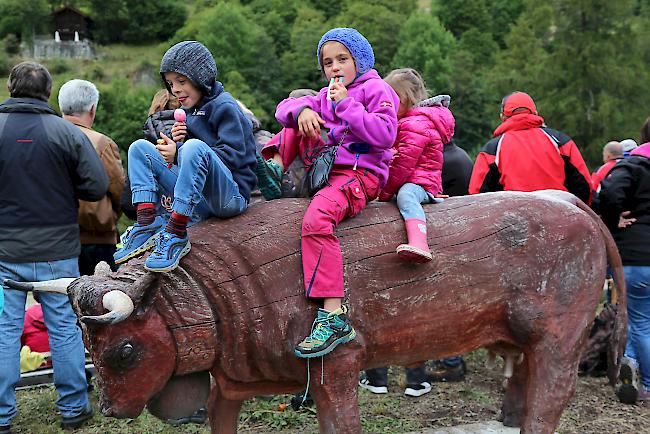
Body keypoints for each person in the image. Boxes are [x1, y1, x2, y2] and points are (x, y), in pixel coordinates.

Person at [271, 27, 399, 358]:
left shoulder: (377, 89)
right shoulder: (324, 94)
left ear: (360, 59)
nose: (335, 68)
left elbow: (384, 134)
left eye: (342, 59)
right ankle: (271, 169)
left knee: (317, 220)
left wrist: (346, 105)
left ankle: (333, 315)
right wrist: (304, 111)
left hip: (360, 174)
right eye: (328, 63)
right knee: (287, 127)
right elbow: (283, 107)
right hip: (325, 172)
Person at [0, 61, 107, 432]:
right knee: (63, 326)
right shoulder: (67, 133)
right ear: (48, 93)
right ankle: (74, 409)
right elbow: (95, 187)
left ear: (11, 89)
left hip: (4, 252)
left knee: (4, 329)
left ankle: (1, 416)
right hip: (58, 251)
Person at [114, 41, 257, 273]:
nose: (175, 90)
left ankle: (176, 233)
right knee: (139, 148)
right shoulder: (191, 110)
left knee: (192, 148)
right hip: (199, 197)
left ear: (201, 77)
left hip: (229, 196)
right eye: (171, 84)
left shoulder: (225, 106)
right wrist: (177, 143)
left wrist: (181, 151)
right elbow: (193, 159)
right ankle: (146, 222)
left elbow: (233, 159)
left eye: (181, 81)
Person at [378, 69, 454, 263]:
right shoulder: (405, 121)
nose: (385, 103)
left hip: (420, 181)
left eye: (391, 98)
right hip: (411, 177)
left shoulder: (416, 125)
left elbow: (403, 165)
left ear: (407, 98)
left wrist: (384, 194)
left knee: (406, 195)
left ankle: (419, 242)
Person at [600, 120, 650, 404]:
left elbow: (608, 192)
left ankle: (646, 381)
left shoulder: (633, 166)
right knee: (641, 320)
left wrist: (612, 220)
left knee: (639, 321)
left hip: (637, 256)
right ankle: (631, 362)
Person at [469, 91, 592, 205]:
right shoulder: (560, 141)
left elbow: (476, 194)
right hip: (560, 211)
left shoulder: (492, 149)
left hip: (513, 219)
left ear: (503, 118)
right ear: (535, 113)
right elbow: (584, 185)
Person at [59, 79, 125, 275]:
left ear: (61, 106)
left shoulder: (46, 139)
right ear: (92, 109)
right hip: (97, 239)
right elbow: (119, 190)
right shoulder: (102, 143)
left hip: (53, 237)